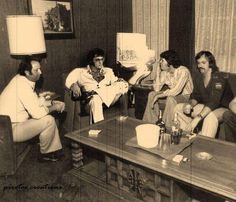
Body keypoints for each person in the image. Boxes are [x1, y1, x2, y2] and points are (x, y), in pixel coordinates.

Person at [0, 57, 65, 162]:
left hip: (8, 126)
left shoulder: (20, 79)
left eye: (40, 68)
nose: (40, 72)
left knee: (46, 116)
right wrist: (54, 107)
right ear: (27, 72)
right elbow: (37, 114)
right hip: (8, 130)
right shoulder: (22, 85)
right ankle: (46, 154)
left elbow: (33, 102)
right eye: (36, 70)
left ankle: (47, 149)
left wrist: (51, 103)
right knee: (48, 120)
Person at [174, 51, 234, 137]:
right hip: (207, 107)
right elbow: (195, 96)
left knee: (210, 117)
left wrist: (197, 118)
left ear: (211, 63)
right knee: (178, 108)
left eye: (203, 62)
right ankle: (187, 135)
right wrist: (189, 104)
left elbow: (214, 101)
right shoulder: (199, 77)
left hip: (223, 108)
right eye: (198, 63)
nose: (200, 66)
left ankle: (205, 145)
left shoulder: (219, 77)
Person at [65, 48, 129, 123]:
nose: (100, 62)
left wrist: (121, 82)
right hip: (90, 101)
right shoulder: (80, 72)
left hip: (109, 99)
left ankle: (98, 93)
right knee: (96, 99)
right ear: (91, 61)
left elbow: (117, 82)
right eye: (97, 60)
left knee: (121, 85)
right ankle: (99, 126)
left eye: (102, 59)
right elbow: (68, 80)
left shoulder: (108, 71)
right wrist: (73, 85)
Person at [142, 50, 193, 127]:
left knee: (170, 98)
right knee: (152, 94)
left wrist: (159, 96)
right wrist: (158, 72)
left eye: (162, 60)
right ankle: (150, 123)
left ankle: (167, 126)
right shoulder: (165, 73)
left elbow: (176, 91)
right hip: (173, 95)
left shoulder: (183, 71)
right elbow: (157, 89)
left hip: (187, 96)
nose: (160, 63)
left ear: (169, 62)